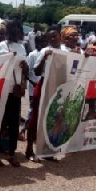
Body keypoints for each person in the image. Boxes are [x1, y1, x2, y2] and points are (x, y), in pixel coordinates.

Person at [0, 20, 28, 167]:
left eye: (17, 30)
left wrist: (25, 67)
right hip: (2, 90)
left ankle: (11, 153)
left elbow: (25, 70)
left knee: (13, 124)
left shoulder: (22, 48)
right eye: (12, 31)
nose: (15, 33)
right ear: (7, 32)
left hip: (15, 91)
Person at [27, 26, 63, 161]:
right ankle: (29, 148)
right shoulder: (44, 51)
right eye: (50, 37)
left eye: (55, 36)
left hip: (59, 85)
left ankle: (47, 151)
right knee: (36, 117)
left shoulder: (66, 51)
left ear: (60, 36)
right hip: (44, 84)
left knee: (55, 118)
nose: (53, 39)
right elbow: (36, 71)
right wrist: (44, 59)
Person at [22, 34, 48, 141]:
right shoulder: (32, 55)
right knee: (32, 110)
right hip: (34, 87)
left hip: (44, 85)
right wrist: (33, 82)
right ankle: (24, 129)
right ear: (36, 43)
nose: (43, 43)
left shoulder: (48, 53)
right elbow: (27, 72)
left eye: (44, 41)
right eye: (40, 41)